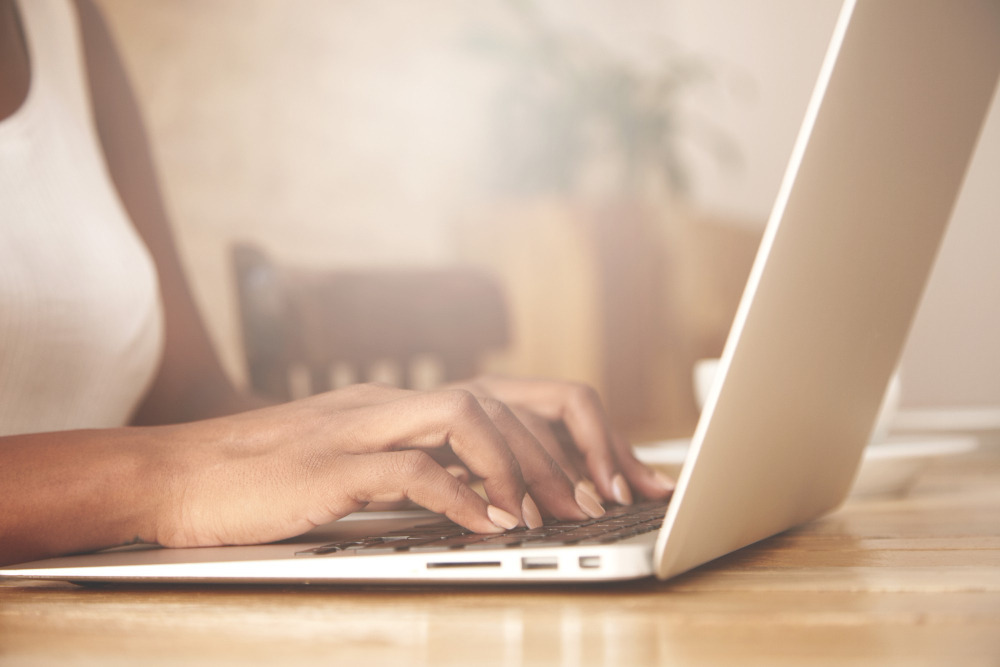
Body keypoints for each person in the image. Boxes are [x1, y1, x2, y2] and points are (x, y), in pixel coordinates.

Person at [0, 0, 673, 568]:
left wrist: (382, 424)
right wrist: (158, 478)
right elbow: (176, 453)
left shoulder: (63, 18)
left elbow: (185, 392)